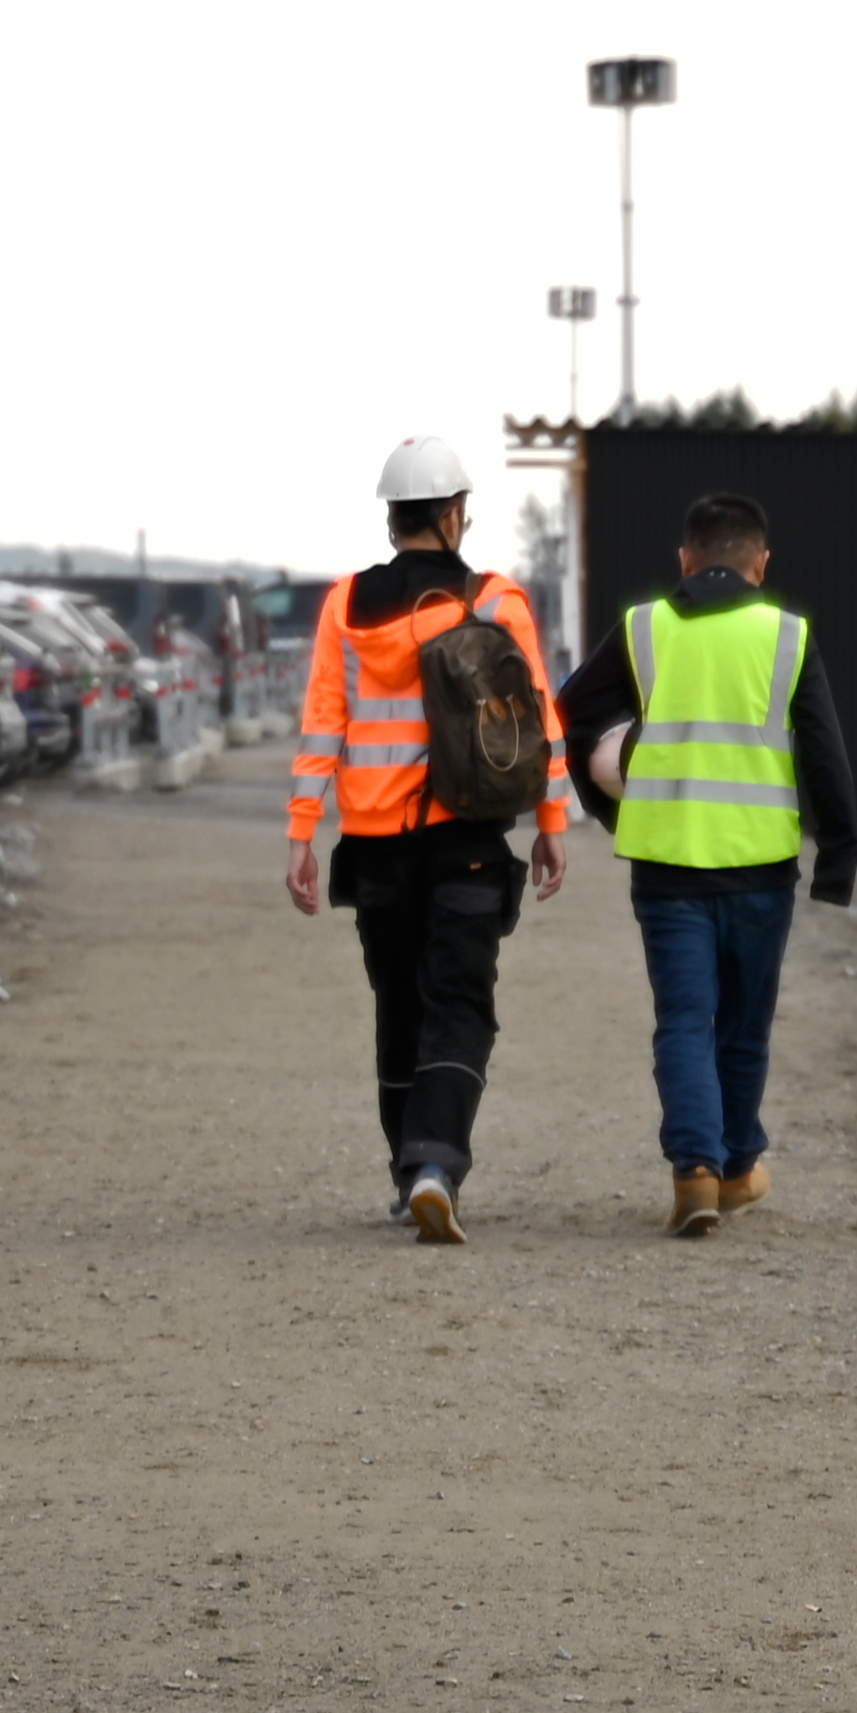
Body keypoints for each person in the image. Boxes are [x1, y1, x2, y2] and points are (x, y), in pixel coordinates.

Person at [285, 435, 570, 1243]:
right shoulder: (493, 600)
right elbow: (538, 720)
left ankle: (406, 1170)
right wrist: (552, 824)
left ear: (391, 519)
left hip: (374, 847)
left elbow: (323, 726)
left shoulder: (345, 604)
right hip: (468, 838)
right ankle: (435, 1163)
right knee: (461, 1004)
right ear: (454, 516)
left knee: (399, 1006)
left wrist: (301, 835)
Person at [556, 490, 857, 1236]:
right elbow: (824, 752)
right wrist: (838, 857)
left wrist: (605, 806)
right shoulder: (788, 636)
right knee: (744, 1027)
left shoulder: (643, 629)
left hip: (666, 868)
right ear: (761, 564)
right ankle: (731, 1167)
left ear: (686, 560)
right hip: (760, 871)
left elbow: (572, 709)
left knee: (685, 1020)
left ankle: (696, 1169)